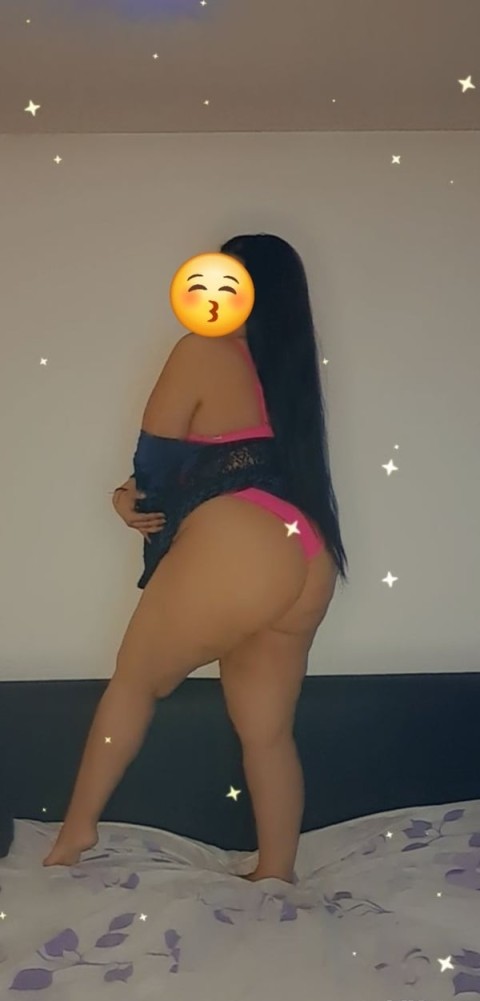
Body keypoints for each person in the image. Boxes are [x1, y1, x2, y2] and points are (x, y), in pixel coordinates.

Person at [43, 233, 348, 882]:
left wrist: (130, 499)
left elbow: (157, 460)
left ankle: (74, 834)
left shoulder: (202, 349)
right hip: (306, 548)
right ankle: (276, 871)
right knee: (268, 733)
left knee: (134, 682)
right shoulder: (287, 371)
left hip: (242, 540)